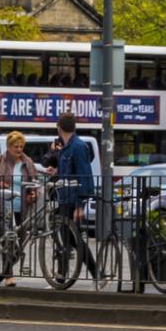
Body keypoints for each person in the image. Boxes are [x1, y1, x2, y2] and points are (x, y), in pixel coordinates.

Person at [0, 130, 42, 287]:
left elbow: (34, 183)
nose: (19, 149)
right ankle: (8, 276)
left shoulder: (28, 162)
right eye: (16, 146)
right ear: (8, 146)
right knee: (7, 241)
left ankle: (0, 275)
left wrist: (33, 194)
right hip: (0, 206)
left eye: (21, 146)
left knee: (19, 244)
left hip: (21, 207)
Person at [47, 111, 98, 280]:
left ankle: (96, 273)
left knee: (73, 240)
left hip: (72, 200)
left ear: (59, 128)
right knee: (66, 238)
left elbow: (84, 176)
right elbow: (68, 172)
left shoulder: (77, 146)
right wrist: (55, 172)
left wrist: (80, 205)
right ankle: (63, 274)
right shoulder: (66, 147)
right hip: (65, 198)